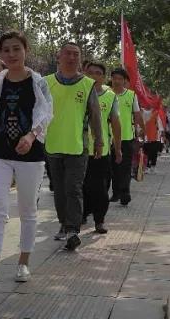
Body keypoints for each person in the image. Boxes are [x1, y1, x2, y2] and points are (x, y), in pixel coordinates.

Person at [0, 31, 53, 291]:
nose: (11, 54)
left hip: (31, 156)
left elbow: (46, 115)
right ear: (0, 54)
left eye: (16, 48)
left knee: (28, 210)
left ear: (26, 50)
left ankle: (23, 262)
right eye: (6, 50)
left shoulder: (38, 83)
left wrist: (31, 136)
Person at [45, 43, 102, 251]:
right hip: (52, 145)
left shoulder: (87, 84)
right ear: (59, 56)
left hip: (78, 147)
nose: (71, 57)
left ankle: (72, 230)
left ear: (80, 58)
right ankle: (63, 223)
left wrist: (99, 140)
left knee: (74, 188)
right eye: (67, 53)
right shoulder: (46, 83)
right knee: (59, 190)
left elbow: (95, 115)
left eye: (76, 54)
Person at [82, 62, 121, 234]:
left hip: (100, 151)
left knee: (100, 189)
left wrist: (118, 148)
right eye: (90, 73)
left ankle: (99, 220)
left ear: (104, 77)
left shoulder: (110, 96)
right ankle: (81, 216)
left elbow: (116, 124)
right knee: (81, 187)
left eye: (98, 73)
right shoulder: (78, 92)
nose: (93, 76)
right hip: (78, 149)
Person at [109, 69, 144, 206]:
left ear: (125, 81)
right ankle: (115, 192)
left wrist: (142, 129)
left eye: (120, 78)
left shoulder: (131, 95)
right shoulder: (107, 93)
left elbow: (137, 114)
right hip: (109, 138)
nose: (117, 81)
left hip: (127, 137)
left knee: (125, 166)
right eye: (114, 78)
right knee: (113, 167)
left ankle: (125, 193)